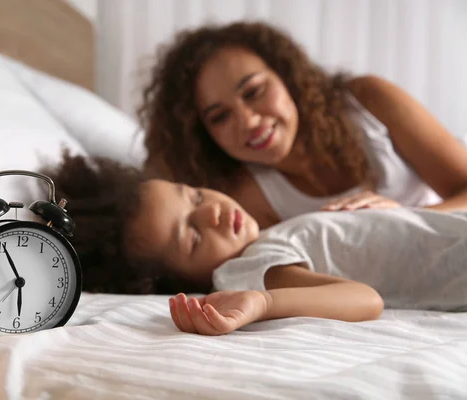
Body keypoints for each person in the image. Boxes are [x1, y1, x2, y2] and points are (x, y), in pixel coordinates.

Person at [45, 152, 467, 336]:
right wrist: (263, 303)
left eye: (193, 195)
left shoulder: (268, 236)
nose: (210, 213)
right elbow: (365, 299)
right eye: (190, 236)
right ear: (178, 279)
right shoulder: (247, 267)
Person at [138, 21, 467, 229]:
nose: (249, 121)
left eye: (254, 91)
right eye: (219, 116)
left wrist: (400, 219)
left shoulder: (370, 101)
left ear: (287, 77)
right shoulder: (246, 199)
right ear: (204, 135)